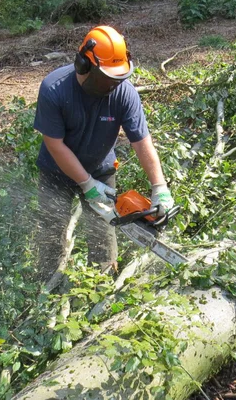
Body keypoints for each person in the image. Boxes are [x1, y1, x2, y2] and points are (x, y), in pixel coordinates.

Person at [33, 25, 174, 285]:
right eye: (106, 78)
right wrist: (86, 184)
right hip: (56, 171)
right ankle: (47, 287)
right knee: (52, 232)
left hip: (100, 167)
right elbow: (55, 144)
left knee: (103, 233)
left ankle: (101, 283)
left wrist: (159, 186)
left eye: (117, 78)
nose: (112, 85)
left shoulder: (123, 92)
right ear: (83, 66)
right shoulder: (55, 89)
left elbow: (141, 141)